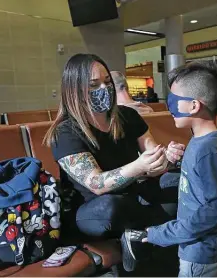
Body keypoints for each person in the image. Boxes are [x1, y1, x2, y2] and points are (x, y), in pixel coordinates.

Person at [44, 54, 185, 272]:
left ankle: (140, 237)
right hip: (93, 209)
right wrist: (139, 166)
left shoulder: (127, 116)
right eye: (94, 85)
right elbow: (96, 184)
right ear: (74, 90)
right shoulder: (65, 132)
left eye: (107, 82)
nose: (104, 88)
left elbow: (155, 162)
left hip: (136, 196)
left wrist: (165, 157)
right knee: (112, 208)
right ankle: (151, 233)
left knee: (177, 183)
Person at [124, 61, 217, 277]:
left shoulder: (208, 149)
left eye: (174, 101)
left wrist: (161, 234)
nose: (169, 109)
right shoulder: (203, 141)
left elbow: (214, 209)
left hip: (204, 249)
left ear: (194, 106)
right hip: (202, 244)